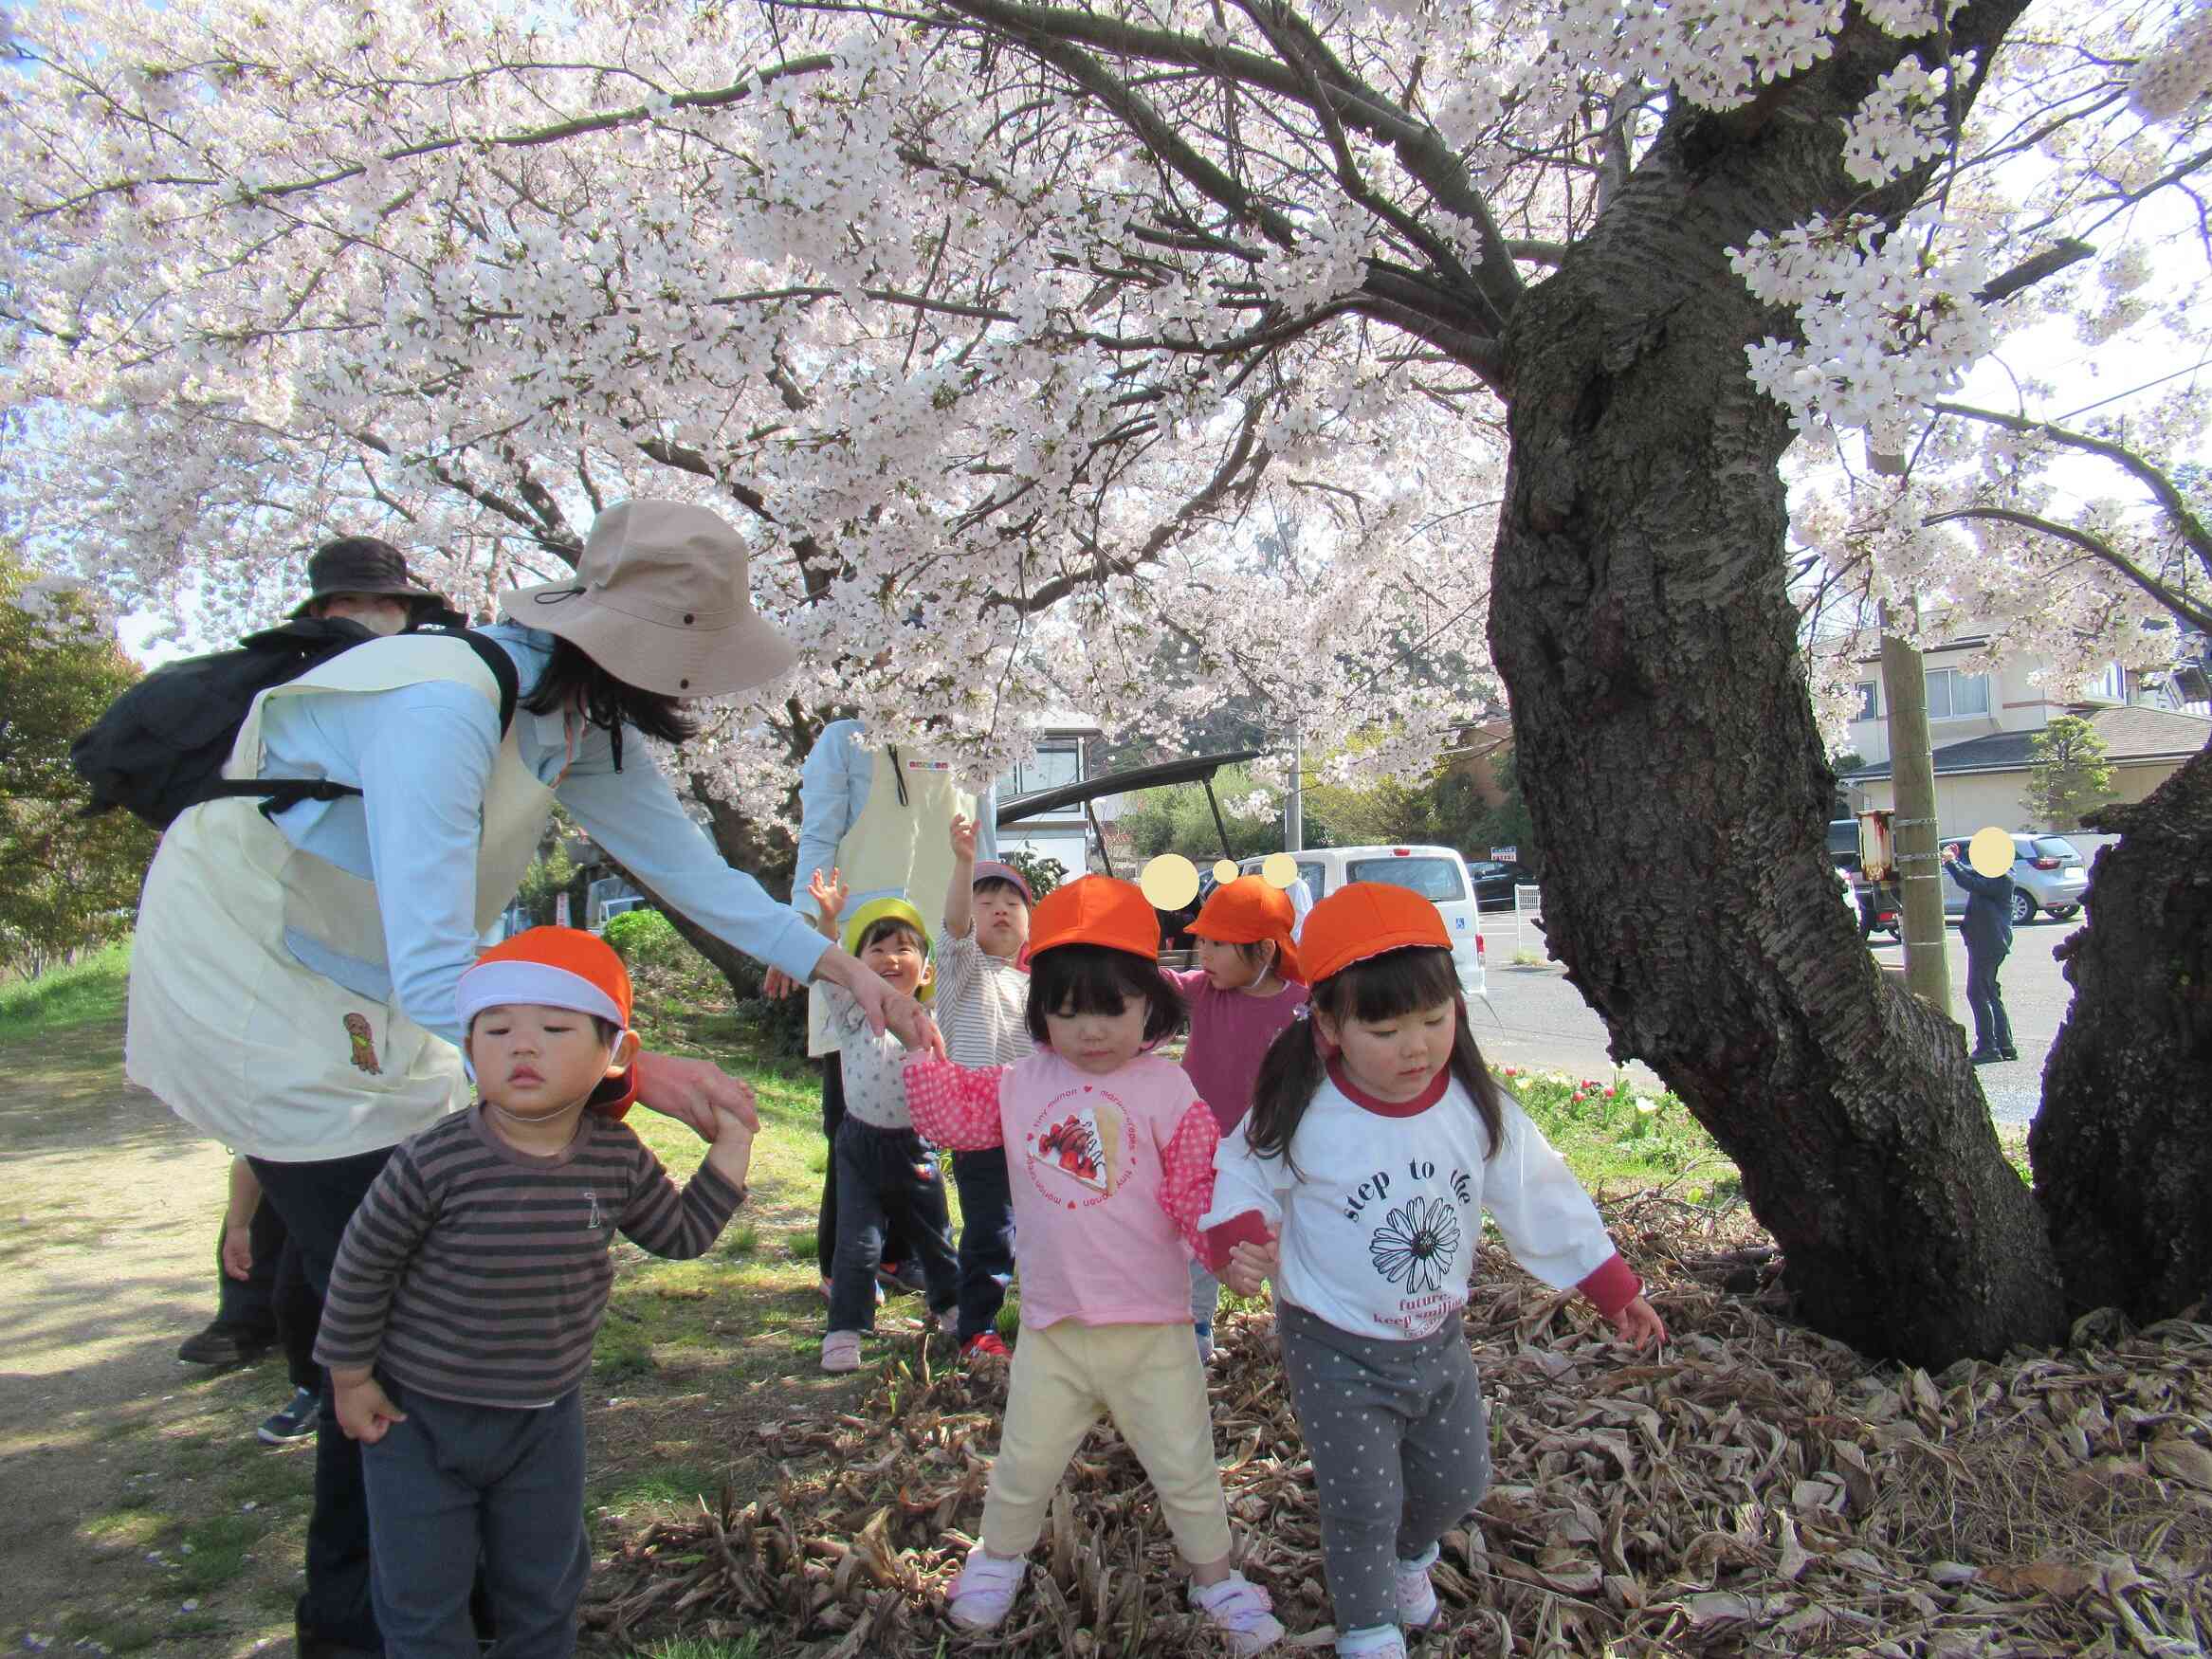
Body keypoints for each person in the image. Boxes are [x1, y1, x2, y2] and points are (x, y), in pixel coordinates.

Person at [126, 499, 935, 1659]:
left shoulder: (570, 716)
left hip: (376, 992)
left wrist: (848, 973)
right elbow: (434, 967)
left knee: (415, 1308)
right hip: (262, 986)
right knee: (397, 1313)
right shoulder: (439, 707)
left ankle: (452, 1605)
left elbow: (689, 872)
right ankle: (374, 1622)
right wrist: (628, 1068)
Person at [1205, 883, 1666, 1659]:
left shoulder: (1474, 1108)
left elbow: (1541, 1195)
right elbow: (1241, 1172)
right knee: (1362, 1501)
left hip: (1435, 1337)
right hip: (1332, 1342)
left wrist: (1610, 1287)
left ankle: (1409, 1558)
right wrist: (1240, 1238)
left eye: (1434, 1018)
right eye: (1384, 1030)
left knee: (1459, 1483)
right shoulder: (1304, 1109)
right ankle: (1367, 1629)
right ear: (1329, 1026)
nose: (1414, 1047)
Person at [316, 927, 755, 1657]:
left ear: (616, 1052)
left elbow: (679, 1235)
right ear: (469, 1047)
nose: (522, 1046)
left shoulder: (614, 1157)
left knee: (544, 1589)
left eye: (554, 1029)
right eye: (496, 1031)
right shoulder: (434, 1160)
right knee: (421, 1600)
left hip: (545, 1422)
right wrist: (350, 1376)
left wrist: (731, 1148)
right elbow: (363, 1264)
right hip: (419, 1418)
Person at [904, 875, 1285, 1655]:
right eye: (1067, 1011)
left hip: (1154, 1328)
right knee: (1024, 1461)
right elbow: (952, 1119)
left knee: (1186, 1465)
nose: (1091, 1030)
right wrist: (919, 1049)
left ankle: (1214, 1576)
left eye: (1112, 1008)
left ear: (1151, 1002)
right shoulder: (1020, 1084)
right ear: (1040, 1010)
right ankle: (997, 1559)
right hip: (1055, 1327)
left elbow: (1195, 1189)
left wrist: (1227, 1251)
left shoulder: (1168, 1088)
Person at [176, 538, 454, 1379]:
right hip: (281, 938)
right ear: (325, 613)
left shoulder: (420, 695)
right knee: (297, 1137)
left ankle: (306, 1357)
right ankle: (274, 1334)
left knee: (347, 1150)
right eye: (354, 606)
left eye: (386, 606)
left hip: (364, 947)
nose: (371, 620)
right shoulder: (289, 695)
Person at [775, 717, 1001, 1302]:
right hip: (857, 952)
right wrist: (799, 931)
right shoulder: (845, 741)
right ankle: (843, 1259)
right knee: (853, 1111)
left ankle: (903, 1253)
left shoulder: (976, 734)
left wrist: (998, 940)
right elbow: (818, 839)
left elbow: (985, 853)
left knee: (923, 1107)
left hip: (939, 953)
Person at [806, 871, 962, 1373]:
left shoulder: (932, 1018)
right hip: (860, 1147)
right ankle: (844, 1329)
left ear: (925, 969)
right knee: (857, 1243)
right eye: (876, 950)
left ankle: (952, 1309)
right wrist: (828, 920)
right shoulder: (854, 1014)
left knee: (936, 1236)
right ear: (859, 967)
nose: (890, 959)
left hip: (915, 1148)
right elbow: (829, 969)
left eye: (903, 950)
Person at [1161, 874, 1307, 1362]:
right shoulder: (1206, 991)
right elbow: (1160, 985)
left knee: (1285, 1238)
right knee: (1203, 1235)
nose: (1203, 953)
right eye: (1202, 941)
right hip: (1204, 1152)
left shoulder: (1301, 1009)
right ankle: (1196, 1328)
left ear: (1264, 950)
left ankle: (1296, 1324)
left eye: (1218, 944)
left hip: (1276, 1154)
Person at [931, 813, 1033, 1366]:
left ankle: (1046, 1317)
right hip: (980, 1127)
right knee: (991, 1228)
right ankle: (977, 1328)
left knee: (1045, 1226)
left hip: (1036, 1124)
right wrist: (963, 862)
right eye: (986, 901)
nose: (1000, 909)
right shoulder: (960, 971)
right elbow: (953, 930)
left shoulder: (1037, 987)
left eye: (1013, 903)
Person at [1943, 841, 2018, 1063]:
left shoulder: (2002, 878)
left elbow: (1968, 881)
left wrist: (1952, 862)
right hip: (1990, 941)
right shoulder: (1997, 874)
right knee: (1989, 991)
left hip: (1988, 941)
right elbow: (1971, 874)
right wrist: (1955, 861)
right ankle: (2004, 1045)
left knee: (1977, 992)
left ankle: (1988, 1047)